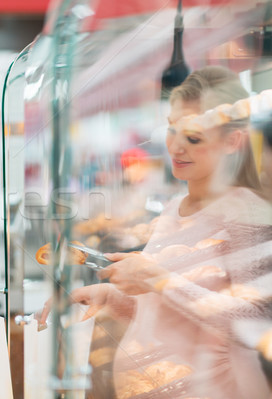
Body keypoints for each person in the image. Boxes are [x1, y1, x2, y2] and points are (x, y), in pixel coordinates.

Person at [72, 66, 272, 398]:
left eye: (193, 136)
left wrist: (158, 279)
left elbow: (255, 323)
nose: (176, 147)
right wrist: (112, 299)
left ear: (232, 141)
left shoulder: (248, 213)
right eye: (171, 131)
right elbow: (172, 315)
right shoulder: (174, 207)